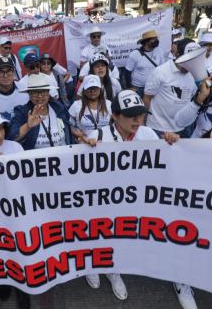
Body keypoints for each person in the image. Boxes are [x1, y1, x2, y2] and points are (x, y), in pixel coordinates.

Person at [85, 90, 184, 306]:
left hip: (133, 200)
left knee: (119, 235)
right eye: (131, 115)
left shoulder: (148, 134)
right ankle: (92, 264)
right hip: (104, 200)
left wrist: (171, 140)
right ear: (115, 115)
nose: (137, 120)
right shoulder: (99, 135)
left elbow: (167, 157)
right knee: (99, 231)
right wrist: (86, 148)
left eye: (140, 114)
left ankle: (113, 270)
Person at [143, 40, 198, 138]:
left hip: (181, 129)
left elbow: (192, 98)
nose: (191, 64)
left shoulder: (195, 75)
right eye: (187, 60)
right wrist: (142, 126)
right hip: (158, 129)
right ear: (177, 54)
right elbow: (147, 98)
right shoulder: (159, 72)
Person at [8, 74, 71, 150]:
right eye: (35, 92)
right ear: (29, 94)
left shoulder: (58, 107)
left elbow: (68, 126)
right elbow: (11, 138)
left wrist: (82, 137)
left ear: (48, 93)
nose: (40, 96)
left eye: (43, 92)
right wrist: (28, 126)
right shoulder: (22, 112)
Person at [69, 74, 111, 143]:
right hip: (84, 145)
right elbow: (70, 125)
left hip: (107, 145)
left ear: (100, 89)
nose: (92, 91)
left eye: (95, 88)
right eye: (89, 88)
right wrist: (80, 136)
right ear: (84, 90)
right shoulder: (76, 105)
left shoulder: (109, 104)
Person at [124, 30, 165, 95]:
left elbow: (162, 68)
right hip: (137, 88)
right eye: (153, 39)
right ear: (146, 41)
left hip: (154, 87)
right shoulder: (134, 54)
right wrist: (130, 88)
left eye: (156, 38)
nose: (156, 41)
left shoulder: (159, 51)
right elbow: (127, 72)